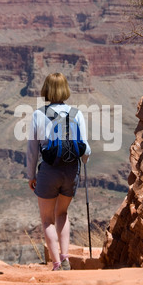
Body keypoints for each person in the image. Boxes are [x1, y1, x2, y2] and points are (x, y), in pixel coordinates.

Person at [27, 73, 91, 271]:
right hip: (71, 170)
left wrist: (31, 176)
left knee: (47, 220)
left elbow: (32, 150)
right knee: (62, 213)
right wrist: (81, 161)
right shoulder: (76, 114)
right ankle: (66, 259)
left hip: (49, 171)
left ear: (46, 89)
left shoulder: (38, 115)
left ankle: (56, 265)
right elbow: (86, 149)